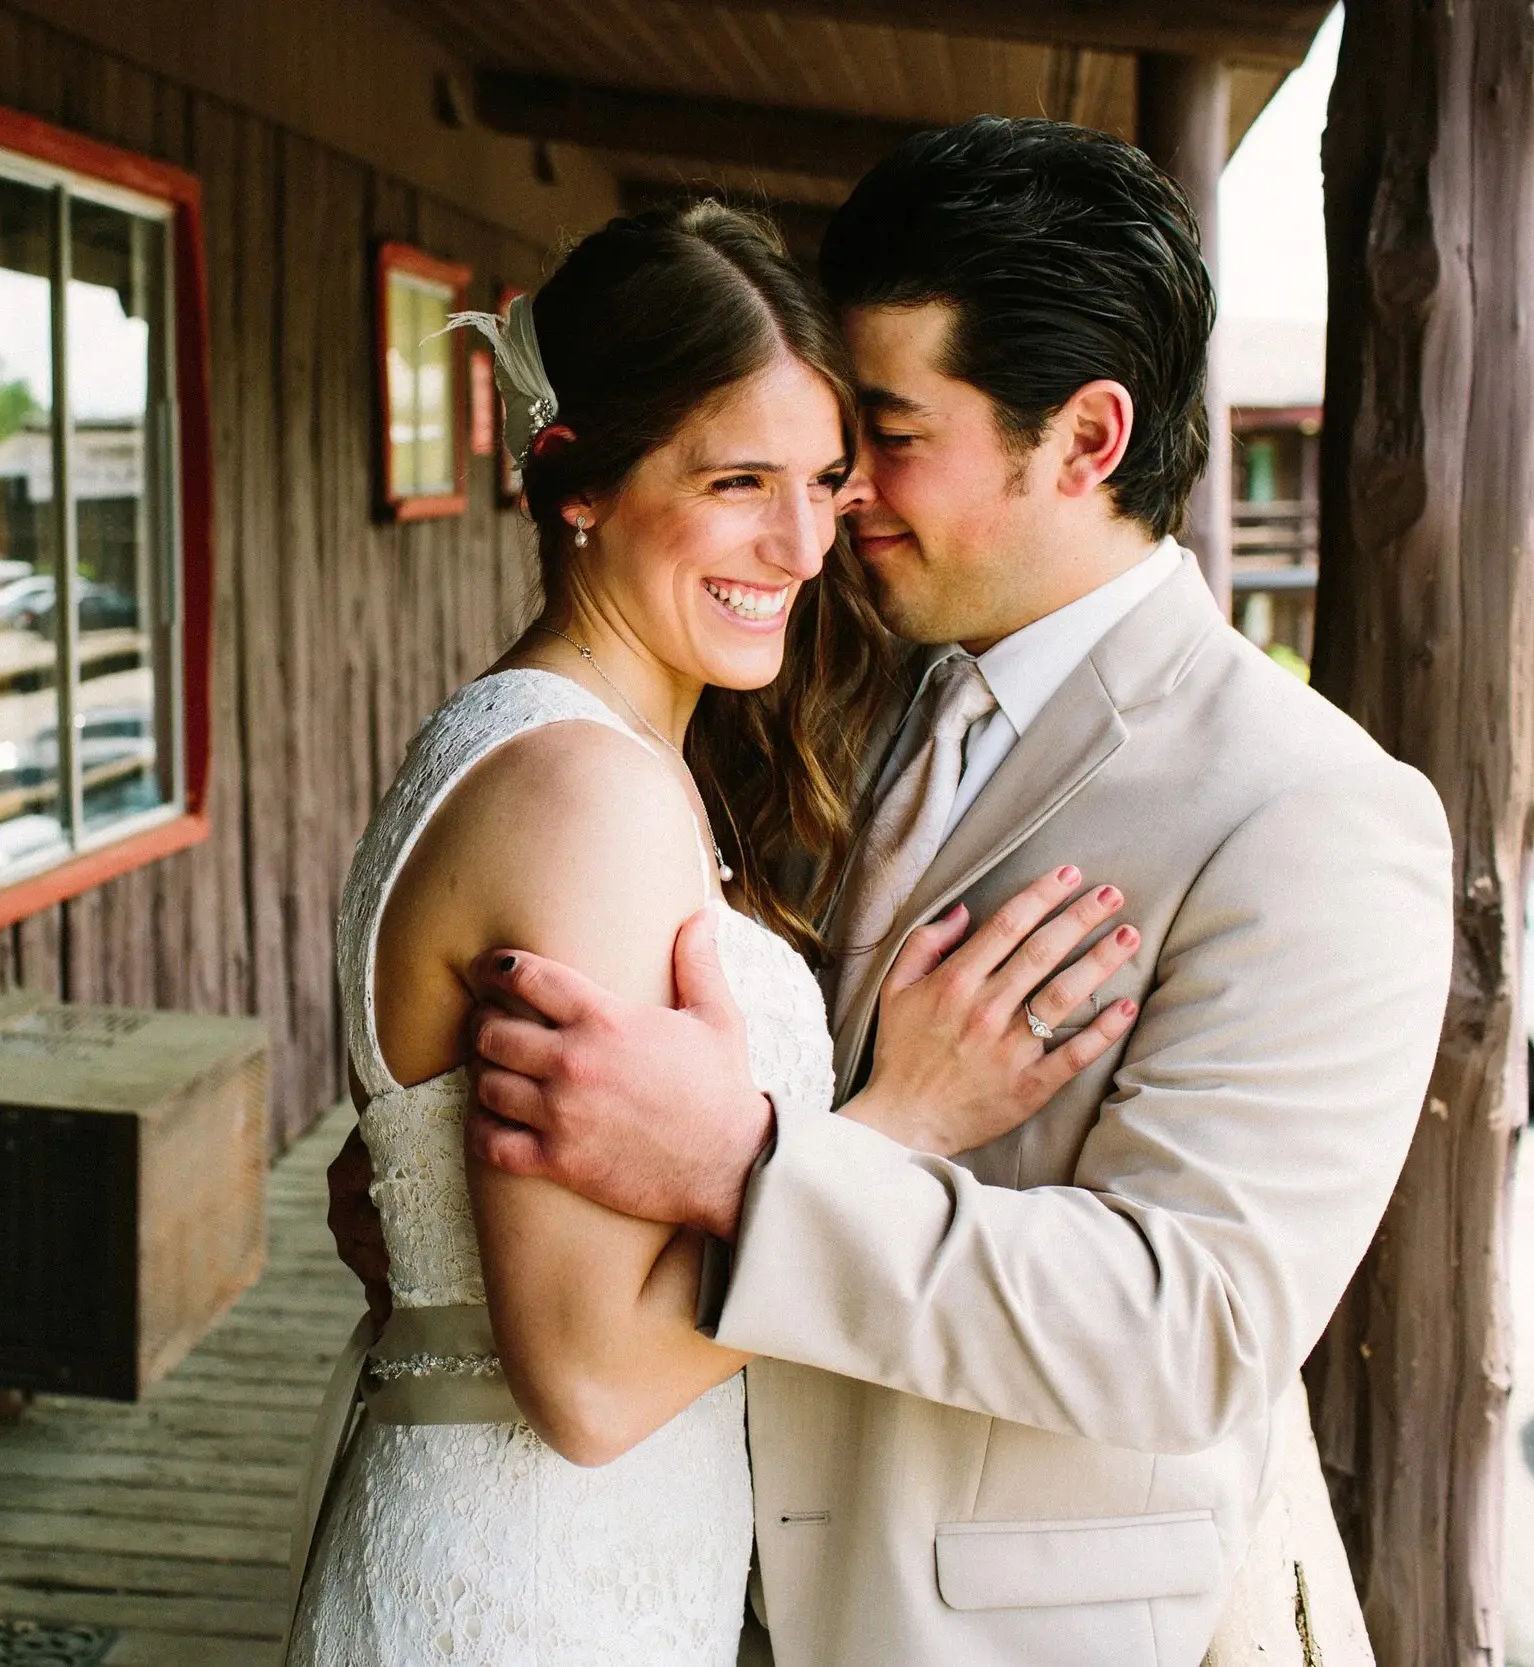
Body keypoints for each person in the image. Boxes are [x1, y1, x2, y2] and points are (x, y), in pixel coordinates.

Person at [374, 118, 1450, 1664]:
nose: (834, 501)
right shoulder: (844, 692)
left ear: (1084, 439)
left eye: (884, 433)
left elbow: (1191, 1327)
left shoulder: (1315, 814)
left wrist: (749, 1165)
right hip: (691, 1576)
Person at [287, 197, 1144, 1666]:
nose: (805, 541)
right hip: (539, 1584)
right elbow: (593, 1383)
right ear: (580, 480)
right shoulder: (584, 796)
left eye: (824, 477)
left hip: (573, 1550)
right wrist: (902, 1120)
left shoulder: (552, 742)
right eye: (737, 478)